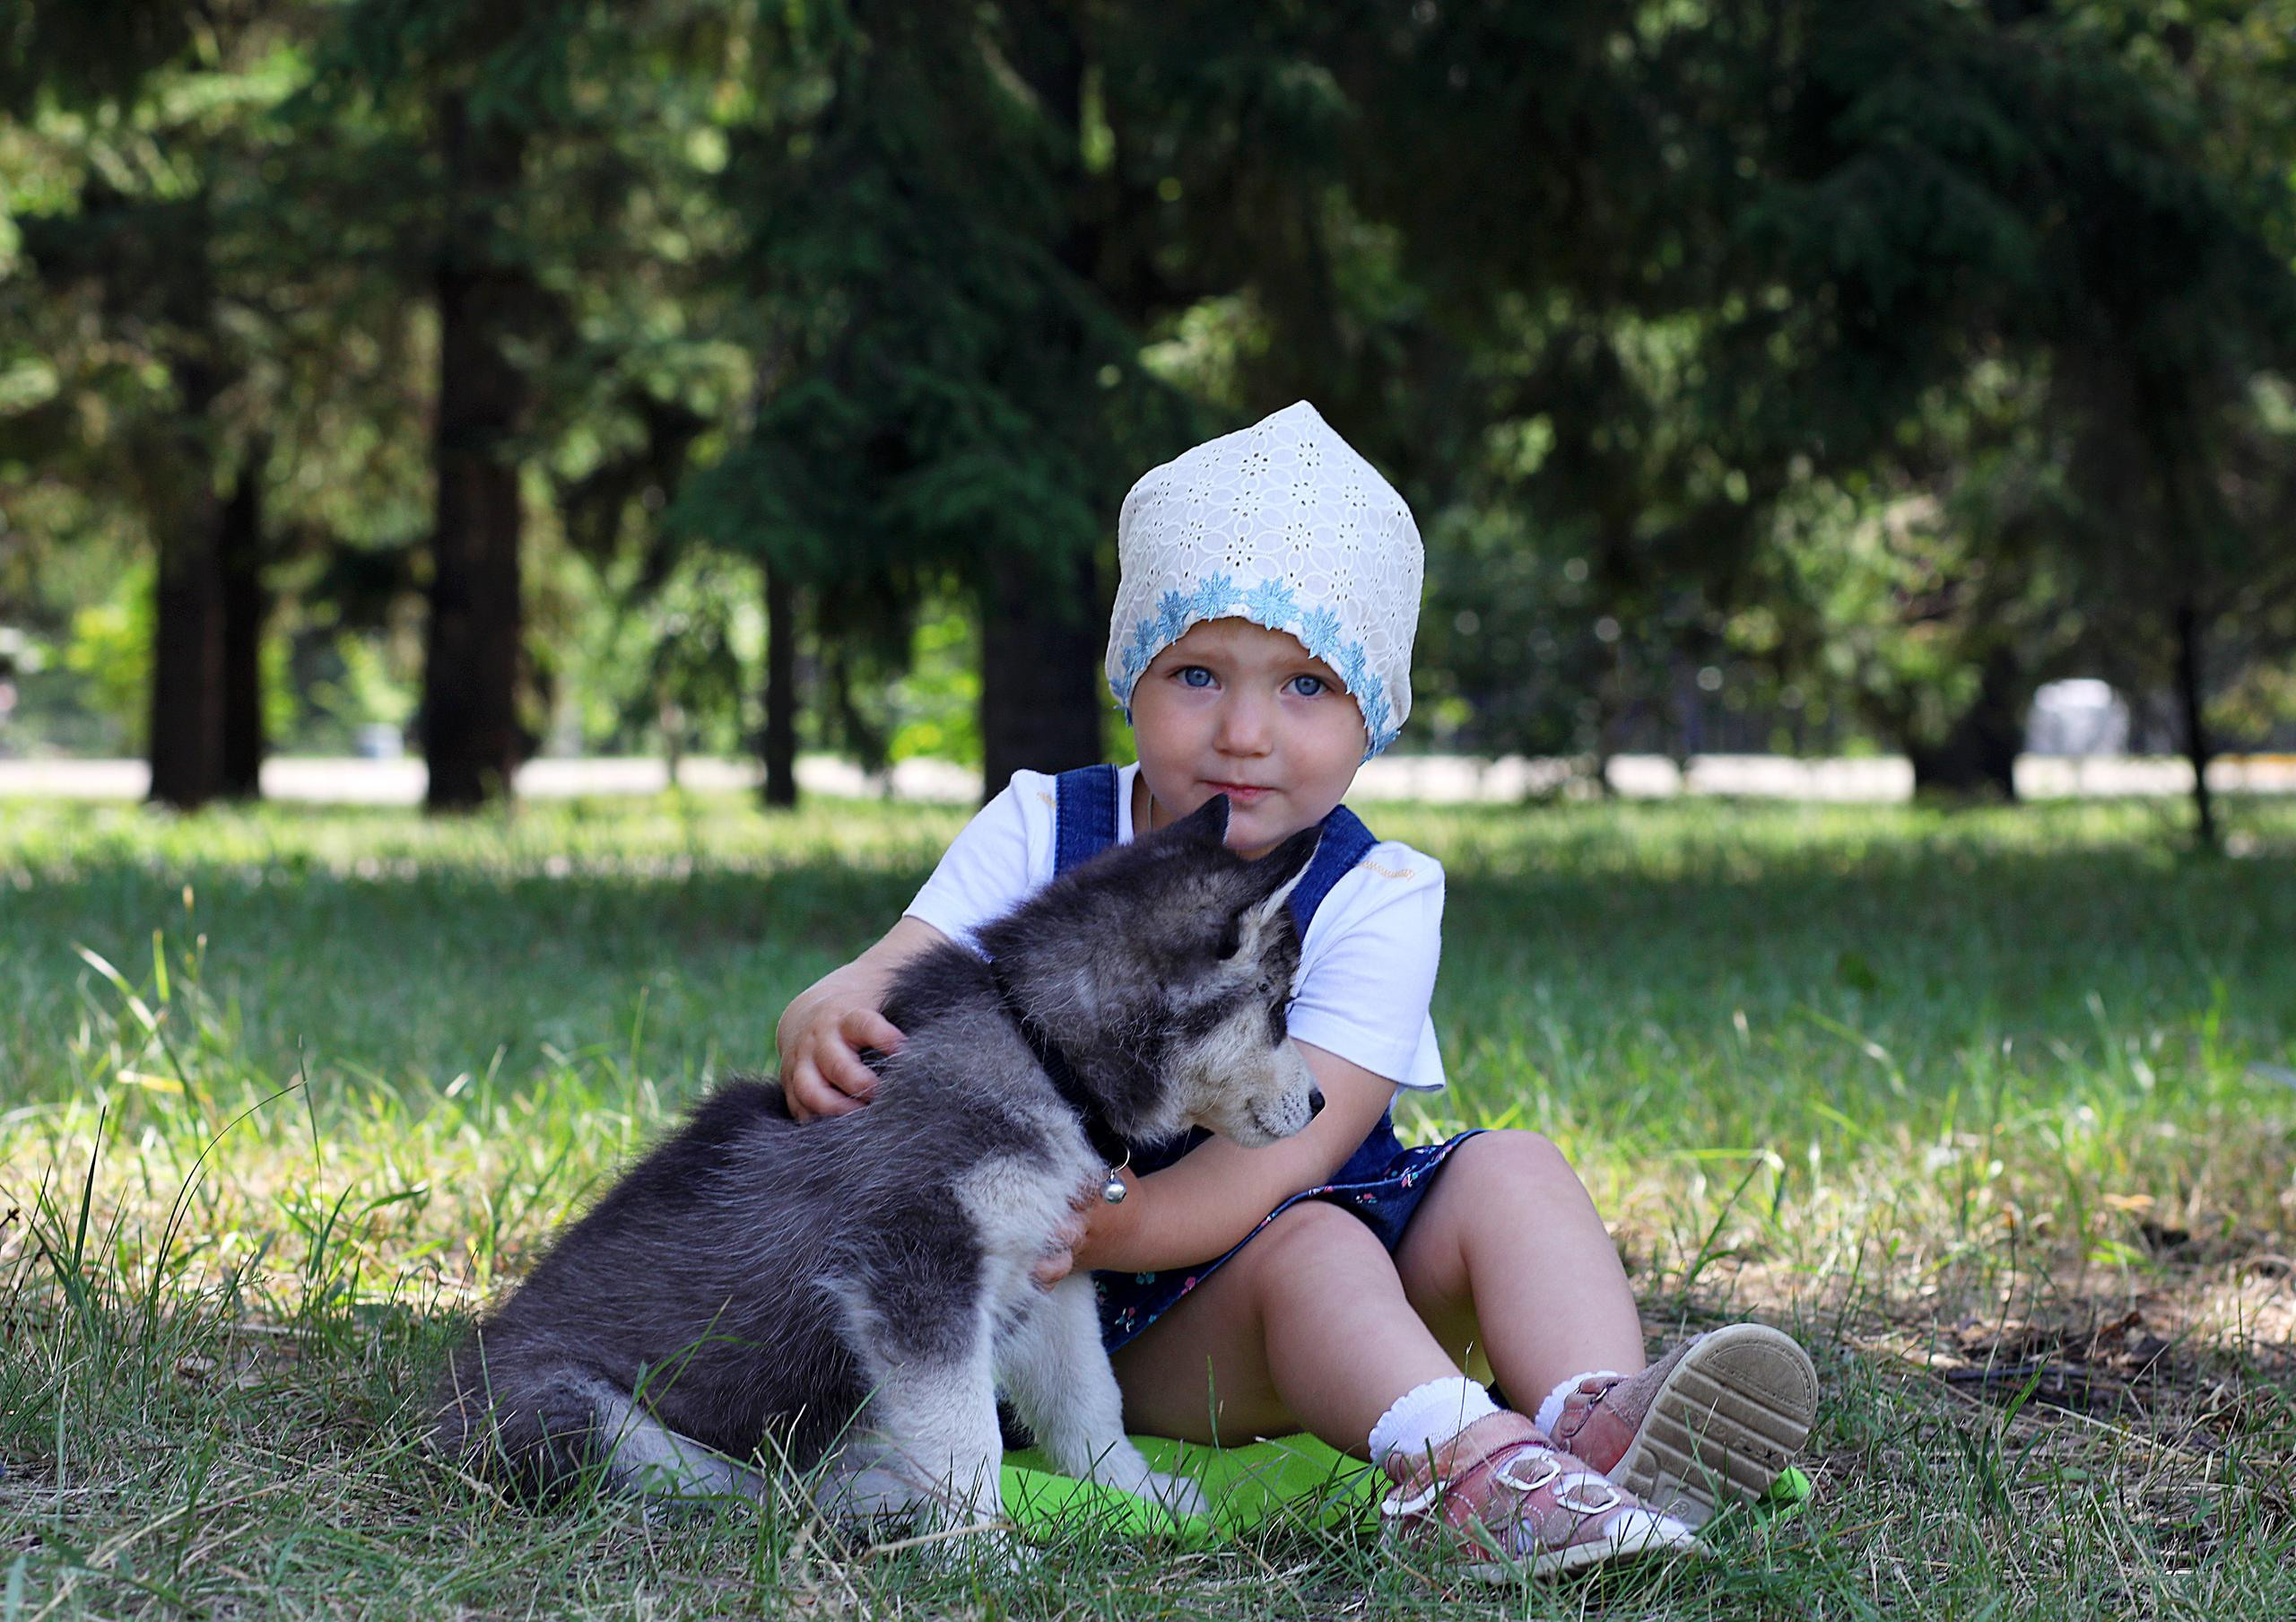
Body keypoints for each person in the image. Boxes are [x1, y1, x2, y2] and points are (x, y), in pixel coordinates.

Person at [774, 402, 1817, 1577]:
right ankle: (1474, 1476)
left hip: (1281, 1240)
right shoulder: (1041, 827)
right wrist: (825, 1010)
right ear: (1132, 677)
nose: (1244, 732)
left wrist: (1118, 1211)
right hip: (1120, 1321)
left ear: (1374, 715)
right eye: (1198, 673)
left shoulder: (1379, 892)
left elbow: (1290, 1155)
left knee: (1513, 1168)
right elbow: (898, 966)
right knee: (1314, 1250)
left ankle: (1597, 1424)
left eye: (1307, 686)